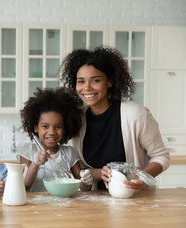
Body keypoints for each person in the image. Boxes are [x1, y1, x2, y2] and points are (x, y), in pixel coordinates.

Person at [60, 47, 170, 192]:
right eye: (81, 81)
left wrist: (142, 179)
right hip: (94, 204)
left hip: (136, 202)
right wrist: (100, 173)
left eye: (95, 80)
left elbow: (161, 157)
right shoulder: (77, 120)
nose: (87, 88)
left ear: (109, 81)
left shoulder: (136, 115)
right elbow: (81, 169)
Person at [17, 87, 93, 192]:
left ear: (65, 128)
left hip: (62, 206)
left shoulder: (69, 153)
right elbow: (23, 186)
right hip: (35, 206)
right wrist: (35, 164)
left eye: (58, 127)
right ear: (35, 127)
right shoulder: (28, 150)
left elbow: (83, 188)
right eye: (45, 126)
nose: (52, 132)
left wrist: (86, 181)